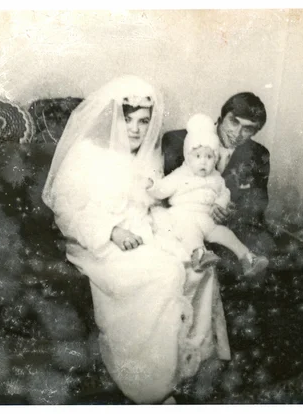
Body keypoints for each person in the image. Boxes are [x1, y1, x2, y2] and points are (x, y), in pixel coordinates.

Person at [42, 75, 230, 404]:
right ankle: (150, 385)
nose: (136, 130)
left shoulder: (147, 157)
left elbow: (153, 203)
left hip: (143, 233)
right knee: (162, 276)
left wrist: (170, 232)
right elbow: (66, 211)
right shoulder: (87, 153)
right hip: (98, 243)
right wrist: (111, 232)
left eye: (143, 122)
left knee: (194, 266)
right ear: (112, 118)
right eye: (127, 120)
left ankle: (188, 368)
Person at [147, 113, 269, 277]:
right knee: (191, 234)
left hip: (207, 219)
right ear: (188, 157)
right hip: (184, 216)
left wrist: (220, 204)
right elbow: (163, 189)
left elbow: (224, 193)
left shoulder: (216, 178)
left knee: (226, 234)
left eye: (209, 157)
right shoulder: (180, 174)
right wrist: (152, 185)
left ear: (215, 159)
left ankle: (247, 258)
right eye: (198, 156)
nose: (204, 161)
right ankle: (199, 255)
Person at [161, 92, 276, 263]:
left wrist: (231, 211)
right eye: (234, 121)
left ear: (256, 131)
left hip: (228, 229)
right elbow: (164, 194)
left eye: (248, 128)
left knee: (271, 254)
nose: (237, 133)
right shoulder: (178, 140)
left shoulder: (258, 155)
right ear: (221, 118)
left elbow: (258, 204)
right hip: (183, 225)